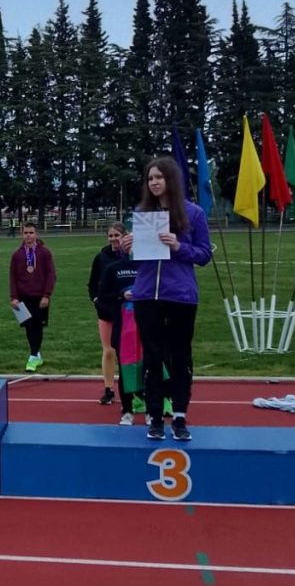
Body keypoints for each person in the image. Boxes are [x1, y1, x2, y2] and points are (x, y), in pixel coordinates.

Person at [121, 157, 212, 442]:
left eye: (159, 177)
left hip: (180, 296)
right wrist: (127, 248)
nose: (154, 182)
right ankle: (155, 417)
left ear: (171, 179)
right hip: (147, 295)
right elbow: (138, 259)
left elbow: (204, 255)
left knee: (180, 356)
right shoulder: (142, 213)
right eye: (150, 178)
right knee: (152, 357)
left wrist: (178, 246)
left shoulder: (193, 213)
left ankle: (180, 417)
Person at [98, 249, 141, 425]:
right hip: (123, 326)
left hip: (146, 325)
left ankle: (152, 411)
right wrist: (121, 295)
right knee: (126, 368)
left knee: (149, 367)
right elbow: (103, 296)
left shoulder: (149, 266)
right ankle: (127, 410)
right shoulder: (113, 268)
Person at [87, 223, 127, 405]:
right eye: (110, 236)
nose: (113, 239)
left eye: (117, 235)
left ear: (124, 236)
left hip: (127, 311)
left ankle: (132, 390)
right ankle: (109, 389)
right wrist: (96, 300)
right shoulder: (101, 257)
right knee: (109, 351)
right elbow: (92, 283)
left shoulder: (131, 256)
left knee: (127, 353)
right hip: (106, 311)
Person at [9, 222, 57, 372]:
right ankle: (36, 354)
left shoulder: (45, 252)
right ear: (22, 234)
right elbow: (13, 277)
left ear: (36, 234)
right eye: (26, 233)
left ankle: (33, 355)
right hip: (23, 297)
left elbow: (51, 275)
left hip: (40, 297)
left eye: (31, 233)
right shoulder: (17, 255)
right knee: (29, 327)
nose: (28, 236)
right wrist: (14, 297)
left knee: (38, 326)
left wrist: (46, 295)